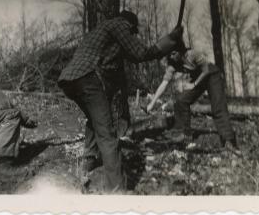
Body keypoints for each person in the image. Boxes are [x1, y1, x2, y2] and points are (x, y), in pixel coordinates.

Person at [58, 10, 183, 193]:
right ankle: (117, 190)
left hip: (69, 81)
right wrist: (170, 40)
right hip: (88, 77)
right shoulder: (119, 25)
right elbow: (141, 53)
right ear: (130, 26)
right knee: (108, 134)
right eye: (132, 32)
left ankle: (89, 162)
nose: (132, 36)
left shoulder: (101, 31)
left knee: (95, 120)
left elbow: (129, 57)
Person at [147, 41, 240, 154]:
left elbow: (205, 70)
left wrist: (194, 84)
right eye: (169, 54)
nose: (172, 56)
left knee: (218, 107)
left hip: (211, 74)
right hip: (198, 78)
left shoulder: (192, 54)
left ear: (180, 51)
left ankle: (228, 141)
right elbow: (164, 83)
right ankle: (185, 135)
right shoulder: (172, 64)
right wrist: (152, 103)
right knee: (181, 100)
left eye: (174, 53)